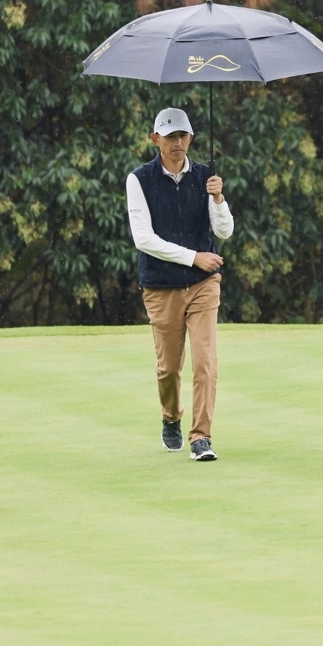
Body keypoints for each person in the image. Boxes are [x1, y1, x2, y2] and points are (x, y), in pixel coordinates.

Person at [126, 107, 234, 461]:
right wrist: (193, 256)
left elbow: (224, 232)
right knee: (169, 368)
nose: (176, 143)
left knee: (205, 362)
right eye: (169, 137)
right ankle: (171, 416)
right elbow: (143, 239)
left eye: (182, 136)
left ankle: (201, 436)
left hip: (204, 284)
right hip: (161, 286)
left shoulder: (206, 177)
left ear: (191, 138)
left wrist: (218, 199)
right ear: (155, 139)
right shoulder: (139, 179)